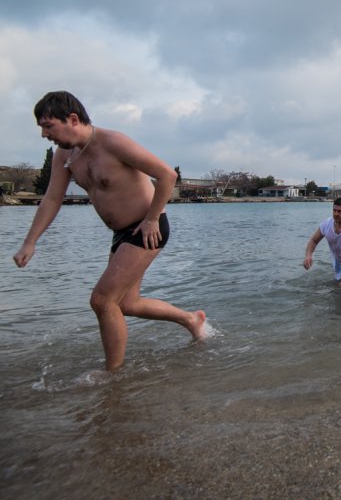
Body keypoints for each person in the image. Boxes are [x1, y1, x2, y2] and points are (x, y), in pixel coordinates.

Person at [12, 91, 207, 371]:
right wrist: (30, 242)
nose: (44, 134)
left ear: (73, 119)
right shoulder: (65, 155)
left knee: (103, 300)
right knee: (127, 303)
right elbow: (52, 198)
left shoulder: (113, 142)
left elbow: (167, 175)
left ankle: (112, 377)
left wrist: (153, 218)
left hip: (146, 228)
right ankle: (191, 319)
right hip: (122, 234)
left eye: (47, 125)